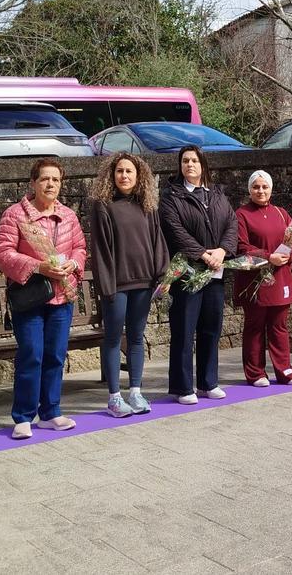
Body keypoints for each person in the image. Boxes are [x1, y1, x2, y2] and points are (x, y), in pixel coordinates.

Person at [0, 158, 86, 439]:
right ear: (33, 182)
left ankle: (50, 412)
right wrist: (38, 267)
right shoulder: (15, 215)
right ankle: (23, 417)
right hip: (30, 298)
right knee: (31, 354)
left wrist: (73, 263)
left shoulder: (68, 215)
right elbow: (2, 253)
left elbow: (80, 247)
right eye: (45, 179)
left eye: (56, 180)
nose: (50, 184)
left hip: (62, 296)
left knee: (55, 355)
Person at [88, 152, 169, 417]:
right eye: (119, 171)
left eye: (129, 171)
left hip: (144, 283)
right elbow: (100, 249)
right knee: (113, 338)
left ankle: (135, 392)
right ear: (112, 175)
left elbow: (157, 241)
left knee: (136, 338)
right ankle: (114, 398)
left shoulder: (147, 205)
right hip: (117, 285)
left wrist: (163, 275)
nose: (124, 176)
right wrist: (107, 287)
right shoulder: (103, 205)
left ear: (138, 175)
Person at [160, 145, 238, 403]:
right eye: (185, 161)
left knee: (211, 328)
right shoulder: (171, 196)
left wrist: (223, 251)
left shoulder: (217, 194)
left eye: (194, 160)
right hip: (188, 272)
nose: (189, 165)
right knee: (184, 331)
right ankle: (183, 387)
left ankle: (208, 382)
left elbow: (232, 224)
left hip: (215, 272)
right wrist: (203, 254)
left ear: (203, 164)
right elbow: (175, 230)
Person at [235, 170, 292, 386]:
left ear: (271, 189)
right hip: (255, 280)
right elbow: (242, 246)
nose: (260, 191)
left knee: (279, 326)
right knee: (255, 326)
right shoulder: (241, 214)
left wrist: (289, 254)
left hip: (280, 277)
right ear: (249, 190)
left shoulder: (281, 213)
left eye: (265, 187)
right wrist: (268, 257)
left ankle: (285, 370)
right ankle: (256, 373)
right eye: (256, 187)